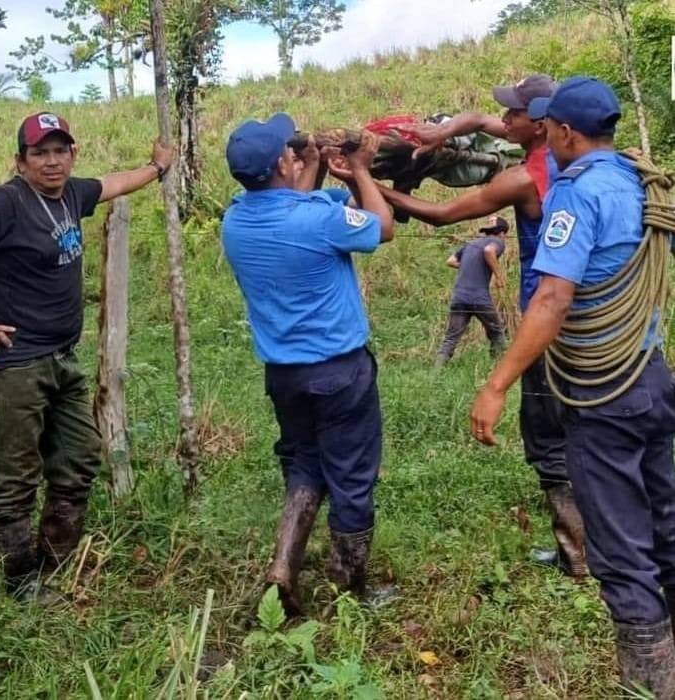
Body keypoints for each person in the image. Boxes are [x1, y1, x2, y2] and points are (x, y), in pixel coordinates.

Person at [471, 76, 675, 697]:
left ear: (562, 131)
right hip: (652, 376)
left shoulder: (574, 193)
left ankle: (652, 685)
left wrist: (498, 383)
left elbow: (554, 297)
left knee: (619, 548)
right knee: (667, 521)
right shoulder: (642, 180)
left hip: (602, 391)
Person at [0, 112, 174, 604]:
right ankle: (21, 582)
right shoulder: (4, 204)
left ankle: (53, 564)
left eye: (60, 150)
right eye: (40, 153)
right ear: (21, 161)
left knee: (79, 456)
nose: (52, 161)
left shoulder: (72, 195)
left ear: (72, 154)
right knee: (15, 475)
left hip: (60, 358)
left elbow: (114, 183)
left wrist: (157, 168)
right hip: (12, 363)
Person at [376, 74, 587, 578]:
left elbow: (443, 214)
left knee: (548, 438)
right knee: (590, 430)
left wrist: (368, 184)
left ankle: (578, 553)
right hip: (596, 319)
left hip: (549, 322)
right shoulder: (583, 152)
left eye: (514, 114)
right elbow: (482, 121)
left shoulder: (527, 178)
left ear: (542, 126)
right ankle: (602, 539)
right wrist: (446, 131)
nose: (504, 120)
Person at [221, 113, 394, 616]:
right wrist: (360, 169)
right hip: (340, 372)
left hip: (285, 374)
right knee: (352, 474)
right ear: (282, 161)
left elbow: (293, 200)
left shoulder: (236, 220)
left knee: (304, 462)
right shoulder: (316, 220)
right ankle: (350, 586)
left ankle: (283, 566)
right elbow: (381, 228)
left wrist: (313, 164)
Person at [436, 215, 508, 365]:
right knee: (496, 333)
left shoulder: (471, 244)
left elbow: (451, 261)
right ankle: (497, 366)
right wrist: (499, 276)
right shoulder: (497, 242)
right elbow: (489, 251)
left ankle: (436, 372)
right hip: (479, 298)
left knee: (451, 337)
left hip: (459, 297)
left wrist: (472, 265)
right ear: (502, 233)